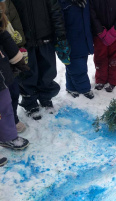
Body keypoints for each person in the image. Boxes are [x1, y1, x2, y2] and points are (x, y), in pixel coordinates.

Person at [12, 0, 69, 120]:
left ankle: (45, 97)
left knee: (48, 70)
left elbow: (55, 10)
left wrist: (60, 34)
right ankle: (30, 102)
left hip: (45, 36)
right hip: (24, 40)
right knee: (27, 73)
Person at [0, 2, 30, 162]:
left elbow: (5, 38)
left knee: (7, 101)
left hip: (2, 69)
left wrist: (18, 60)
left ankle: (8, 135)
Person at [58, 0, 94, 99]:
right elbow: (58, 18)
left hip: (84, 35)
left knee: (77, 63)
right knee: (77, 65)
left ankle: (71, 87)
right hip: (71, 38)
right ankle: (84, 88)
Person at [90, 0, 116, 93]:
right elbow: (91, 13)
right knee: (100, 56)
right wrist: (100, 31)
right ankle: (101, 79)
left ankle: (113, 80)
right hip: (99, 34)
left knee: (115, 57)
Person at [5, 0, 27, 133]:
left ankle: (13, 118)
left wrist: (20, 43)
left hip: (8, 52)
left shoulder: (6, 3)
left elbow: (15, 21)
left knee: (13, 89)